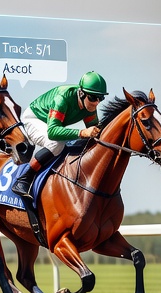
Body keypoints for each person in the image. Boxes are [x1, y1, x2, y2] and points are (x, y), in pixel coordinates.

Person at [10, 71, 109, 201]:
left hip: (52, 123)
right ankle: (24, 179)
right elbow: (52, 132)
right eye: (93, 98)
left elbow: (96, 132)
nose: (96, 103)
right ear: (81, 93)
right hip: (35, 119)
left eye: (100, 98)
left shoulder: (89, 105)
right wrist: (82, 133)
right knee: (56, 143)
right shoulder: (62, 99)